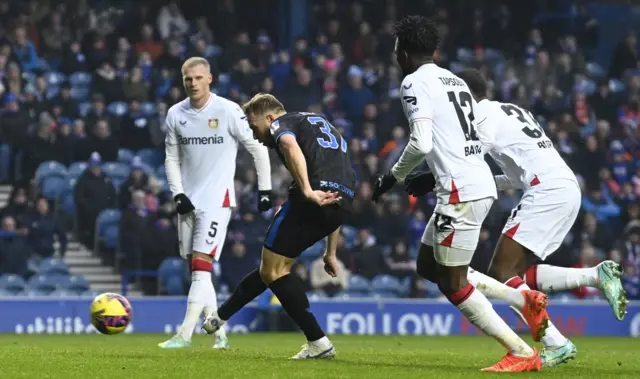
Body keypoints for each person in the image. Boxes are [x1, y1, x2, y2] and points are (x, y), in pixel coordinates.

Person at [404, 68, 628, 367]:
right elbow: (511, 176)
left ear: (466, 94)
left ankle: (556, 342)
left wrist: (428, 178)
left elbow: (465, 161)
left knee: (501, 272)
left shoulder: (479, 118)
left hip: (545, 192)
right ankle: (592, 279)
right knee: (516, 275)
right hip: (566, 187)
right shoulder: (511, 111)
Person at [371, 16, 545, 372]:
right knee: (428, 265)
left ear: (402, 51)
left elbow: (421, 142)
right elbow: (463, 142)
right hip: (470, 181)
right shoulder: (455, 80)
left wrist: (393, 176)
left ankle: (522, 352)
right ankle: (522, 299)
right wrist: (430, 177)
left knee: (453, 283)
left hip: (461, 193)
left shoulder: (413, 83)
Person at [202, 93, 355, 360]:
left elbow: (288, 146)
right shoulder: (319, 122)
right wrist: (330, 252)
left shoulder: (281, 125)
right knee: (272, 269)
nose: (254, 134)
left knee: (272, 270)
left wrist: (307, 190)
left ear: (269, 117)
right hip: (341, 202)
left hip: (311, 198)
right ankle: (220, 317)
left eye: (253, 126)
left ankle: (318, 342)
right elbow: (335, 193)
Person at [158, 57, 272, 350]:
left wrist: (265, 189)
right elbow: (170, 159)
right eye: (187, 79)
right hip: (187, 202)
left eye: (198, 78)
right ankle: (218, 332)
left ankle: (184, 334)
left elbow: (258, 149)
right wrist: (177, 194)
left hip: (217, 200)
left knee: (201, 264)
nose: (193, 83)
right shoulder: (175, 114)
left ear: (210, 78)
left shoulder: (228, 110)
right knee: (197, 269)